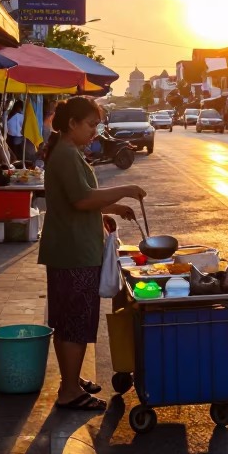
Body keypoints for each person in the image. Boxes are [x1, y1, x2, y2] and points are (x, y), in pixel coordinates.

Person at [40, 96, 144, 411]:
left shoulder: (68, 152)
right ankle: (70, 391)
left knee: (67, 321)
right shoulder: (67, 155)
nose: (94, 132)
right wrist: (124, 190)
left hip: (69, 248)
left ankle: (70, 381)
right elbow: (82, 199)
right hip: (74, 252)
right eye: (90, 125)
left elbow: (83, 199)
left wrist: (112, 208)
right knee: (75, 323)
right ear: (72, 124)